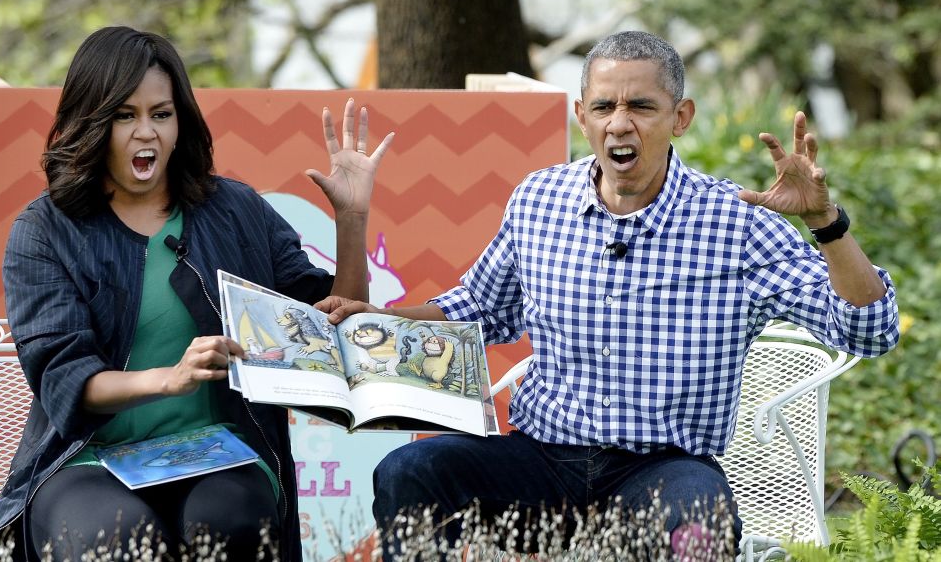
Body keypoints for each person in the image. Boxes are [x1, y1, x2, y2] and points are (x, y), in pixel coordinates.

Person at [321, 30, 899, 557]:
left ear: (680, 116)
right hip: (540, 464)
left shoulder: (736, 223)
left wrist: (826, 222)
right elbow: (478, 308)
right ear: (581, 116)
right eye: (604, 106)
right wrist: (381, 318)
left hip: (661, 472)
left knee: (701, 520)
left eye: (641, 106)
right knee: (410, 471)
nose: (620, 123)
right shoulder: (540, 199)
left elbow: (868, 330)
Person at [0, 26, 392, 561]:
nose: (145, 133)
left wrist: (352, 221)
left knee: (231, 523)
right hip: (88, 459)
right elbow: (64, 379)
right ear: (92, 122)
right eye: (124, 116)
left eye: (161, 113)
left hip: (220, 451)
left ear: (182, 122)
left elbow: (333, 322)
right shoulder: (46, 230)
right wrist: (170, 379)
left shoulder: (236, 210)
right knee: (118, 541)